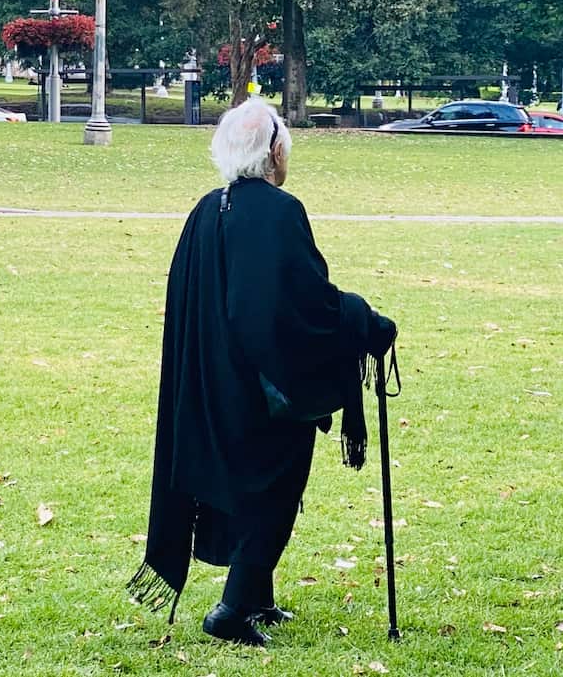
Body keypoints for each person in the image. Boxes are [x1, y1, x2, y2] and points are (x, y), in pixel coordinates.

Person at [128, 98, 397, 647]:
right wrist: (366, 321)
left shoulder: (208, 209)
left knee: (260, 485)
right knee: (274, 488)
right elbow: (304, 305)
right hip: (262, 387)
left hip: (212, 383)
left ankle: (260, 596)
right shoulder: (278, 210)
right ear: (275, 152)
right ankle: (232, 609)